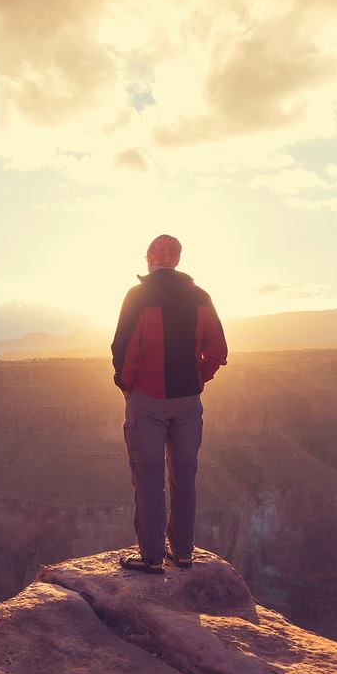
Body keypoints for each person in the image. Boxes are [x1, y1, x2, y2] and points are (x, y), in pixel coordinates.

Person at [110, 234, 229, 573]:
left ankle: (151, 557)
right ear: (177, 259)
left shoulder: (138, 296)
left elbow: (124, 349)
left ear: (149, 257)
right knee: (184, 476)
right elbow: (218, 351)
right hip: (188, 403)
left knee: (148, 479)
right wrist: (197, 379)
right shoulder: (200, 296)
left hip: (147, 401)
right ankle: (184, 552)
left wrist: (127, 385)